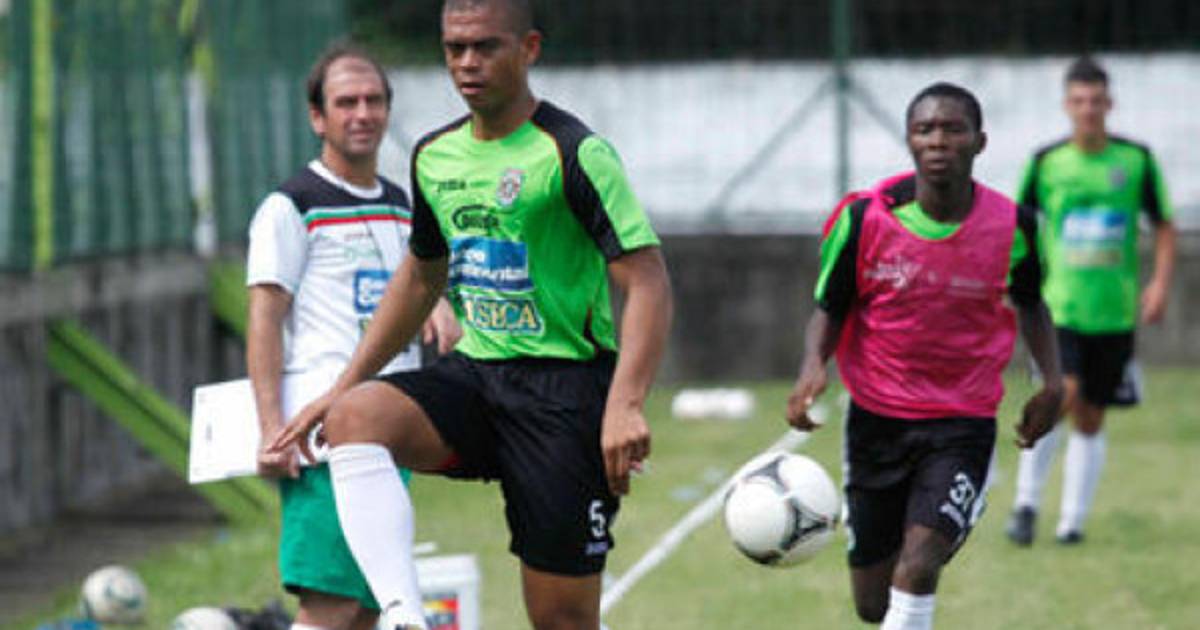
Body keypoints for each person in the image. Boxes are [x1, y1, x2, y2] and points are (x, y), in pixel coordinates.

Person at [269, 1, 673, 629]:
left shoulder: (575, 152)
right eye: (454, 48)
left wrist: (625, 404)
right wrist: (341, 386)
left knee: (561, 620)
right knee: (355, 417)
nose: (467, 63)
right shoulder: (435, 156)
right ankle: (404, 616)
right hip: (477, 377)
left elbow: (648, 283)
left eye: (485, 47)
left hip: (564, 395)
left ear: (528, 49)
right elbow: (420, 275)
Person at [786, 83, 1064, 630]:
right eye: (925, 129)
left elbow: (1032, 303)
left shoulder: (1016, 227)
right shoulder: (864, 219)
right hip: (876, 423)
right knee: (873, 604)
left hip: (962, 424)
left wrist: (1052, 382)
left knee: (918, 566)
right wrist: (812, 365)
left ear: (980, 142)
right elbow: (830, 306)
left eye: (953, 129)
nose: (938, 140)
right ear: (909, 140)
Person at [246, 43, 459, 630]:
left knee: (368, 610)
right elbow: (264, 318)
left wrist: (437, 304)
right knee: (330, 605)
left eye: (373, 101)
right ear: (318, 117)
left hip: (389, 430)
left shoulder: (400, 202)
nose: (362, 114)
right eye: (346, 103)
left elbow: (408, 285)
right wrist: (271, 427)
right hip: (324, 435)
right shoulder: (292, 207)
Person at [1005, 57, 1177, 547]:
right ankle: (1026, 504)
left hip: (1114, 311)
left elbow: (1163, 224)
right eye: (1079, 101)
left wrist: (1159, 284)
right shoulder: (1046, 162)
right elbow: (1017, 225)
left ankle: (1071, 523)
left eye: (1096, 101)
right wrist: (1014, 284)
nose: (1088, 110)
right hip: (1059, 308)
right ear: (1067, 105)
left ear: (1109, 104)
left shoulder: (1135, 160)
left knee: (1091, 414)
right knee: (1063, 394)